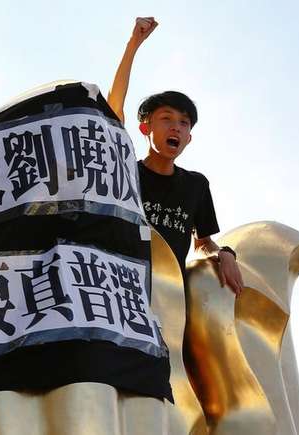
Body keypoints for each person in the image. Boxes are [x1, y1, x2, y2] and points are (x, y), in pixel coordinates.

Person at [107, 17, 244, 295]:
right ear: (145, 128)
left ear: (189, 138)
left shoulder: (196, 185)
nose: (175, 127)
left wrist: (225, 253)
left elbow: (202, 242)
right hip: (119, 288)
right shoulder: (125, 172)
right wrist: (133, 45)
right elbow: (113, 111)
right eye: (166, 119)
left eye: (183, 123)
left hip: (170, 301)